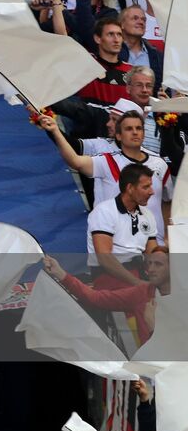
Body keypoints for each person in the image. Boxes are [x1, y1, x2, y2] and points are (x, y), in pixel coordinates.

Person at [39, 109, 172, 239]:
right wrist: (55, 131)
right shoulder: (107, 161)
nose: (135, 132)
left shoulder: (160, 164)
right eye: (129, 129)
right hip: (118, 246)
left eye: (138, 128)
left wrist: (166, 237)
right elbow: (75, 161)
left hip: (155, 246)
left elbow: (167, 202)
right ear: (118, 135)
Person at [43, 250, 169, 345]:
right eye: (150, 263)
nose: (151, 269)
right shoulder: (142, 293)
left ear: (172, 268)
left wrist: (152, 326)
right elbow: (95, 298)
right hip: (154, 370)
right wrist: (60, 273)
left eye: (158, 264)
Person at [86, 163, 160, 287]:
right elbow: (104, 258)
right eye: (146, 187)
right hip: (109, 276)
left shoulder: (148, 215)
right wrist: (136, 282)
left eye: (151, 186)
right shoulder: (104, 211)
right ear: (130, 188)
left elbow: (152, 254)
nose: (151, 192)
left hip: (139, 272)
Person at [118, 5, 163, 86]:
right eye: (135, 18)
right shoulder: (113, 51)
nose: (141, 22)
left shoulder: (156, 55)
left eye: (143, 19)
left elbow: (161, 88)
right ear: (122, 24)